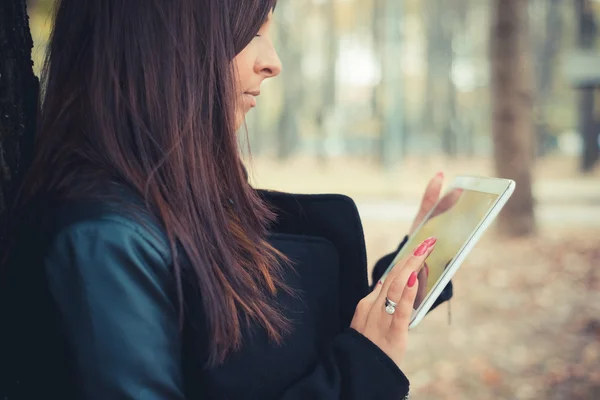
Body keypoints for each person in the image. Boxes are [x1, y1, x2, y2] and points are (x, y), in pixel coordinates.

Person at [0, 1, 452, 399]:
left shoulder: (173, 201)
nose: (272, 62)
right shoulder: (102, 241)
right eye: (254, 32)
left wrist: (395, 289)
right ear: (165, 40)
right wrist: (357, 372)